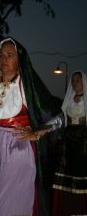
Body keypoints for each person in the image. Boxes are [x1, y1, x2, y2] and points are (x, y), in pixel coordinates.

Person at [0, 37, 61, 216]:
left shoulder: (28, 88)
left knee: (10, 204)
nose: (4, 59)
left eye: (10, 55)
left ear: (20, 60)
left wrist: (37, 133)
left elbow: (58, 118)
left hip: (17, 151)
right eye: (1, 55)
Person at [52, 70, 87, 216]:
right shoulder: (69, 100)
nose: (75, 82)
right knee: (67, 173)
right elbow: (60, 119)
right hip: (68, 142)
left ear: (84, 81)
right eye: (73, 80)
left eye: (78, 79)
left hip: (83, 142)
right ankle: (68, 209)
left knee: (81, 171)